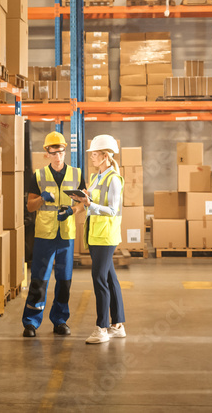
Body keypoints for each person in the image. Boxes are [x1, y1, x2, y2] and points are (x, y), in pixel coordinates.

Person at [22, 131, 86, 338]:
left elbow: (84, 203)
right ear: (46, 153)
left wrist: (72, 211)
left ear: (65, 151)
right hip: (44, 236)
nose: (58, 157)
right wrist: (42, 198)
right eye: (54, 152)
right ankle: (31, 322)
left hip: (66, 235)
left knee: (64, 280)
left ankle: (60, 320)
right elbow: (30, 206)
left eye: (61, 152)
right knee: (39, 280)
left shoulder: (76, 174)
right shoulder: (39, 176)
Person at [71, 135, 126, 345]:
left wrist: (89, 204)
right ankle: (118, 325)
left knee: (99, 280)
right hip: (96, 234)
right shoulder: (97, 177)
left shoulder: (113, 179)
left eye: (94, 154)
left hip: (105, 236)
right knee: (110, 278)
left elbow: (112, 210)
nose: (91, 158)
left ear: (104, 156)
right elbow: (94, 201)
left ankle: (102, 328)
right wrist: (84, 198)